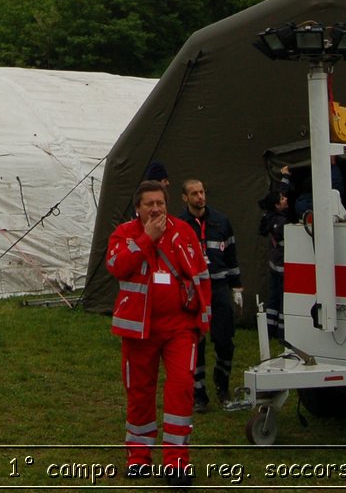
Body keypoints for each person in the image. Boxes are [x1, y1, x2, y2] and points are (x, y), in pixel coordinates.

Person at [106, 180, 210, 487]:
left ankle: (177, 463)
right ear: (137, 208)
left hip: (180, 329)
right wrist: (146, 239)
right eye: (149, 204)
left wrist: (203, 321)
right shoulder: (124, 234)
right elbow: (116, 266)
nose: (155, 209)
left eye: (160, 203)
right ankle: (138, 457)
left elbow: (202, 277)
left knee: (181, 390)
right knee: (139, 393)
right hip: (139, 330)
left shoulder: (184, 232)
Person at [175, 178, 239, 413]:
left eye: (202, 192)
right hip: (193, 291)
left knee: (224, 340)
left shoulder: (221, 221)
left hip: (219, 287)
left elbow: (231, 254)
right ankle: (199, 394)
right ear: (185, 198)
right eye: (194, 193)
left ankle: (223, 386)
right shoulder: (179, 224)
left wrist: (237, 287)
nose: (200, 197)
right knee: (196, 343)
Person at [257, 189, 290, 343]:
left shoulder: (268, 218)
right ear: (277, 205)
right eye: (282, 198)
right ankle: (283, 334)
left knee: (273, 300)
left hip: (274, 265)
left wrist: (285, 179)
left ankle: (269, 331)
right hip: (283, 266)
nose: (286, 199)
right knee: (284, 301)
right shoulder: (281, 222)